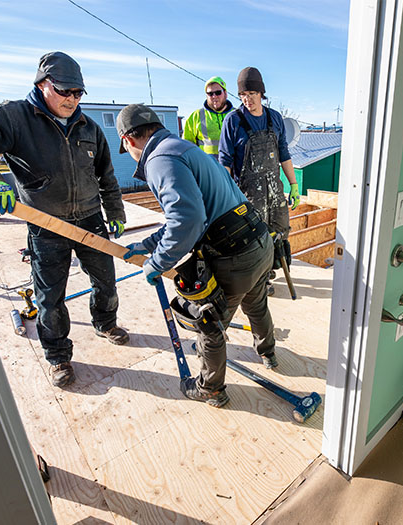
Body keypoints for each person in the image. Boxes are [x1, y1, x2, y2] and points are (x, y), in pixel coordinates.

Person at [0, 51, 130, 388]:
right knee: (50, 296)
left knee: (105, 282)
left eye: (78, 93)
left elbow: (106, 175)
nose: (72, 99)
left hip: (90, 220)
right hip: (46, 225)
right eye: (64, 91)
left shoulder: (88, 127)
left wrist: (115, 212)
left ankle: (105, 323)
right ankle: (58, 356)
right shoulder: (15, 117)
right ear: (42, 84)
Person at [117, 103, 278, 408]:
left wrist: (157, 262)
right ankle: (268, 352)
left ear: (128, 139)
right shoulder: (184, 148)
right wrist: (150, 244)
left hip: (234, 256)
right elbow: (192, 213)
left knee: (209, 323)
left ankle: (210, 389)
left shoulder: (159, 160)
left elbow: (188, 221)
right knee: (256, 303)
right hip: (258, 241)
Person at [218, 67, 300, 296]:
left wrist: (294, 185)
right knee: (255, 240)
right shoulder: (233, 121)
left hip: (274, 191)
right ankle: (259, 282)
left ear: (261, 93)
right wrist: (225, 196)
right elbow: (225, 162)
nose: (248, 100)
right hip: (248, 195)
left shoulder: (274, 118)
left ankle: (270, 271)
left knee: (280, 233)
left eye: (252, 94)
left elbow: (284, 153)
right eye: (243, 95)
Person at [182, 76, 233, 158]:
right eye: (210, 94)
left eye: (218, 92)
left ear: (225, 93)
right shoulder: (196, 116)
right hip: (206, 164)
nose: (214, 96)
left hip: (234, 164)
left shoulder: (237, 115)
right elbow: (186, 146)